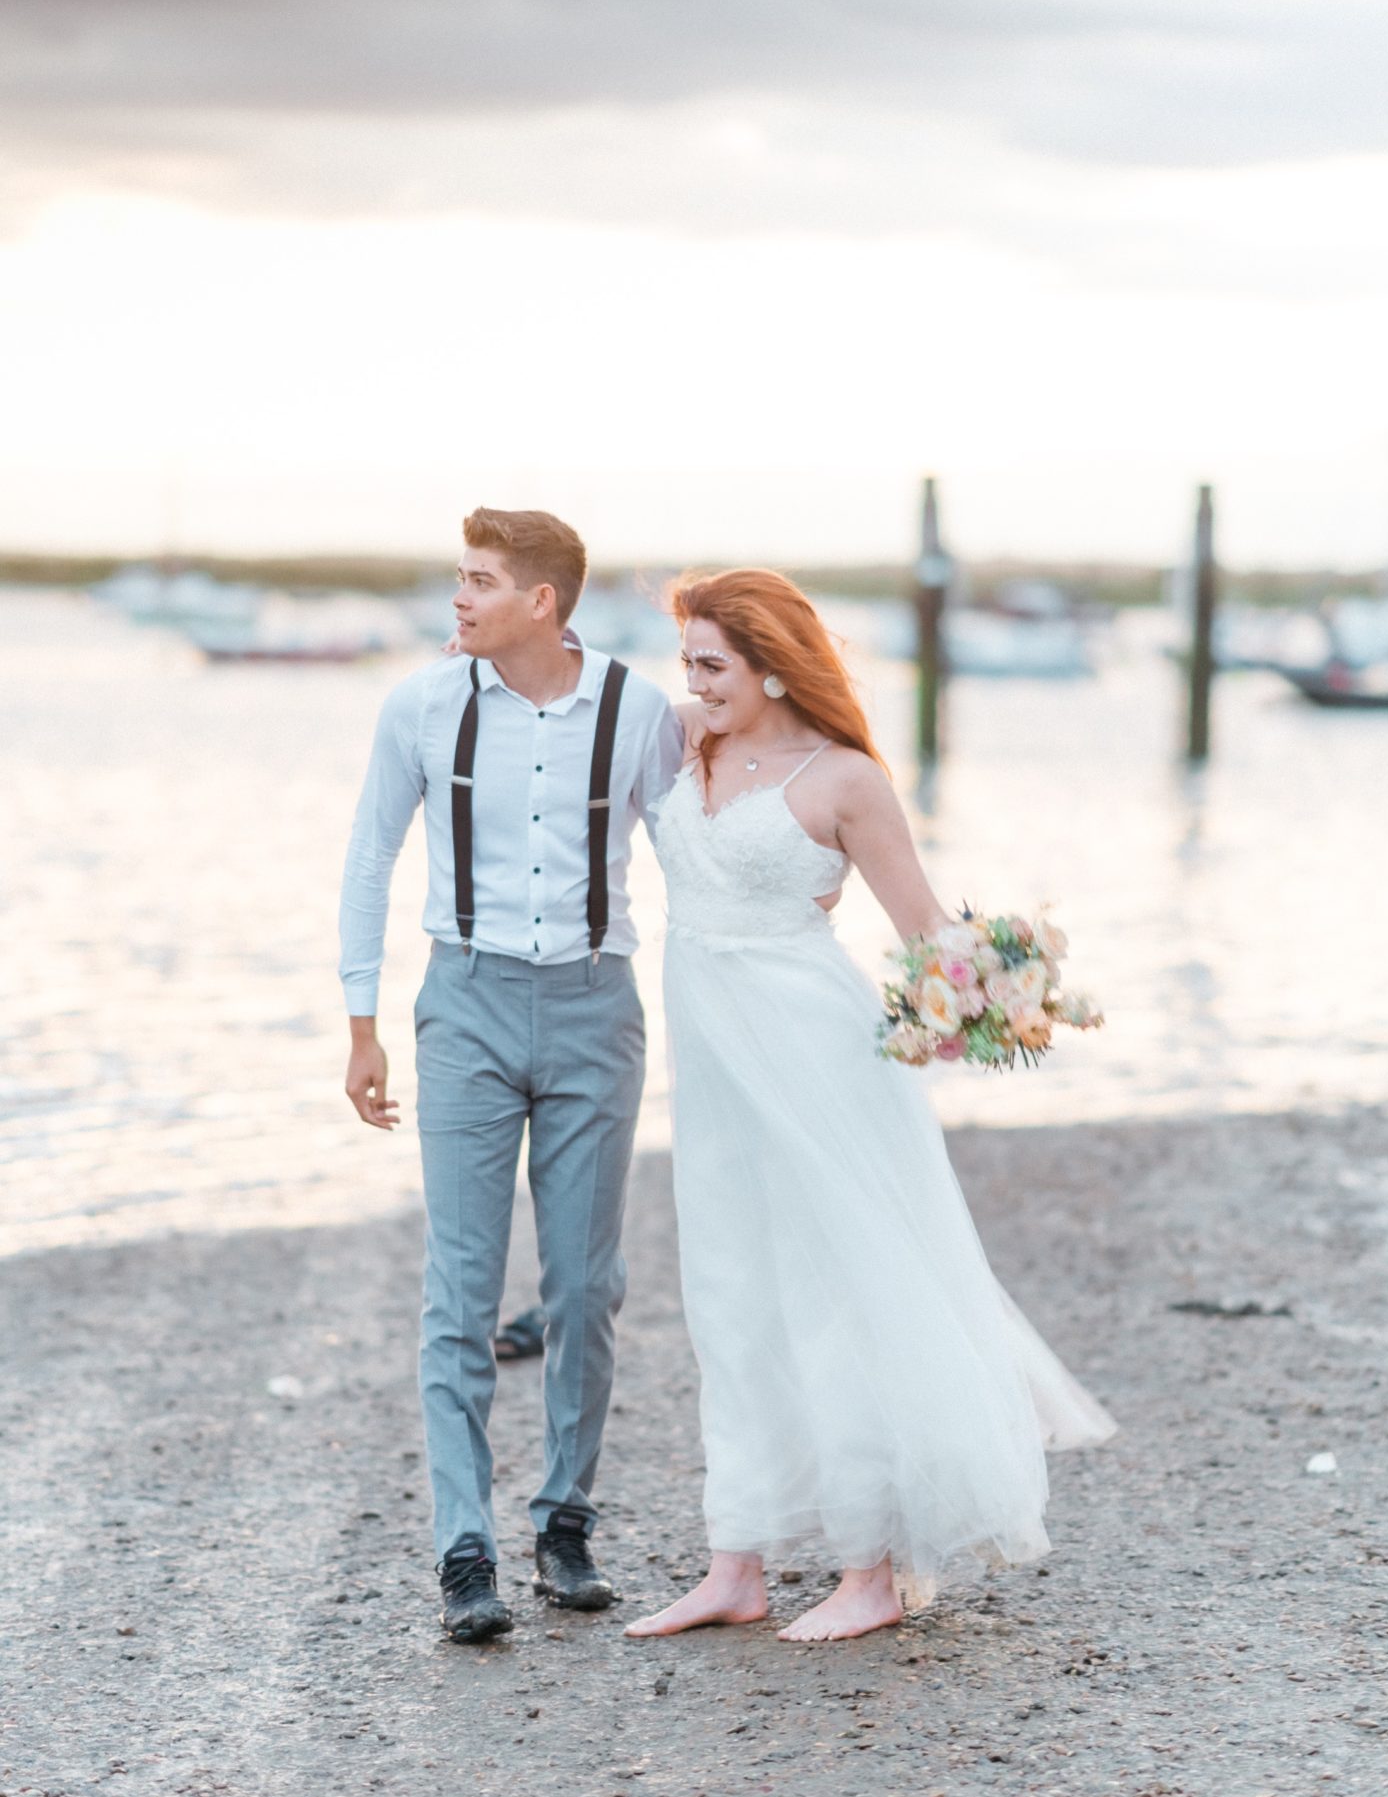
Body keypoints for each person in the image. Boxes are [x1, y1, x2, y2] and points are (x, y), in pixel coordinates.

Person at [625, 569, 1116, 1644]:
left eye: (713, 664)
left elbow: (924, 931)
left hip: (818, 1053)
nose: (696, 683)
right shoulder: (679, 742)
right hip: (711, 1063)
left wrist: (1005, 991)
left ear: (770, 663)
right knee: (726, 1290)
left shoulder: (845, 778)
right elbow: (571, 712)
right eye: (689, 663)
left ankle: (868, 1569)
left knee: (831, 1289)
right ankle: (735, 1562)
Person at [340, 507, 682, 1641]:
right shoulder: (423, 704)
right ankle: (464, 1551)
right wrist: (362, 1021)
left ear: (543, 600)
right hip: (468, 1004)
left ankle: (565, 1520)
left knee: (586, 1286)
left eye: (479, 582)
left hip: (596, 1007)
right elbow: (371, 855)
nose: (459, 599)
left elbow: (693, 859)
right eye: (457, 579)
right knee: (463, 1288)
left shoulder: (638, 710)